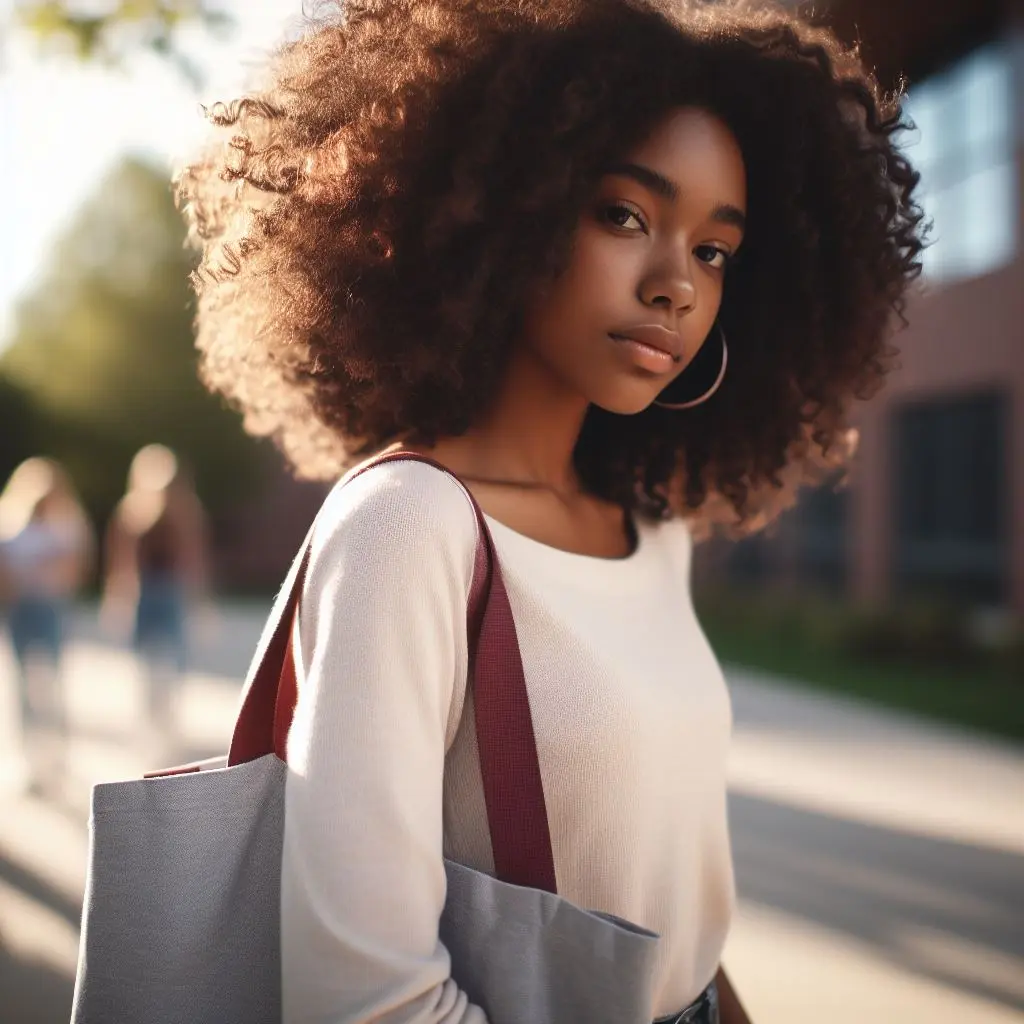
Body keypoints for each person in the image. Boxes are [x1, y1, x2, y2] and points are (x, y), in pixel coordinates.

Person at [177, 0, 924, 1020]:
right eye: (624, 214)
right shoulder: (409, 528)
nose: (675, 284)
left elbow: (669, 899)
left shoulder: (650, 532)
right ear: (497, 211)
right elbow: (363, 999)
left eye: (714, 250)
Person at [102, 444, 208, 739]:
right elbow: (120, 559)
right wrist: (116, 598)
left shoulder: (187, 511)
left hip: (172, 590)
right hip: (143, 592)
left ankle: (169, 713)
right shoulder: (131, 511)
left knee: (176, 656)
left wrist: (199, 600)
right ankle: (149, 715)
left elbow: (194, 557)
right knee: (145, 659)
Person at [0, 457, 93, 784]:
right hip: (21, 608)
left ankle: (56, 754)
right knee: (23, 683)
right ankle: (28, 757)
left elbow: (72, 570)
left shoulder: (66, 525)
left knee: (52, 681)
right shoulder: (10, 524)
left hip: (50, 607)